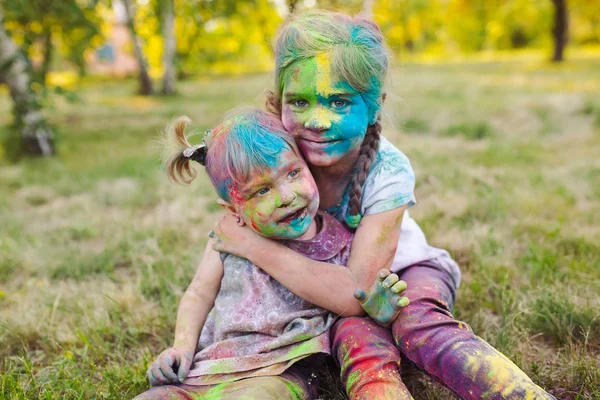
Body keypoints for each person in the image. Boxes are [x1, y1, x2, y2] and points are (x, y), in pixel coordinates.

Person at [211, 10, 556, 400]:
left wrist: (252, 246)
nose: (318, 121)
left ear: (376, 106)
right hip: (334, 300)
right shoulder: (280, 161)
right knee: (354, 335)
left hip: (401, 274)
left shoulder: (388, 171)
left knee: (416, 325)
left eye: (340, 102)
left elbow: (357, 290)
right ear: (277, 104)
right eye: (300, 101)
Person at [135, 108, 407, 400]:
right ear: (233, 211)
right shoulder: (228, 239)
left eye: (292, 173)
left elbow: (347, 300)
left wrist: (379, 313)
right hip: (210, 365)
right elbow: (198, 293)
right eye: (262, 191)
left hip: (279, 370)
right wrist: (182, 347)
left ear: (308, 166)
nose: (286, 196)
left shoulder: (336, 241)